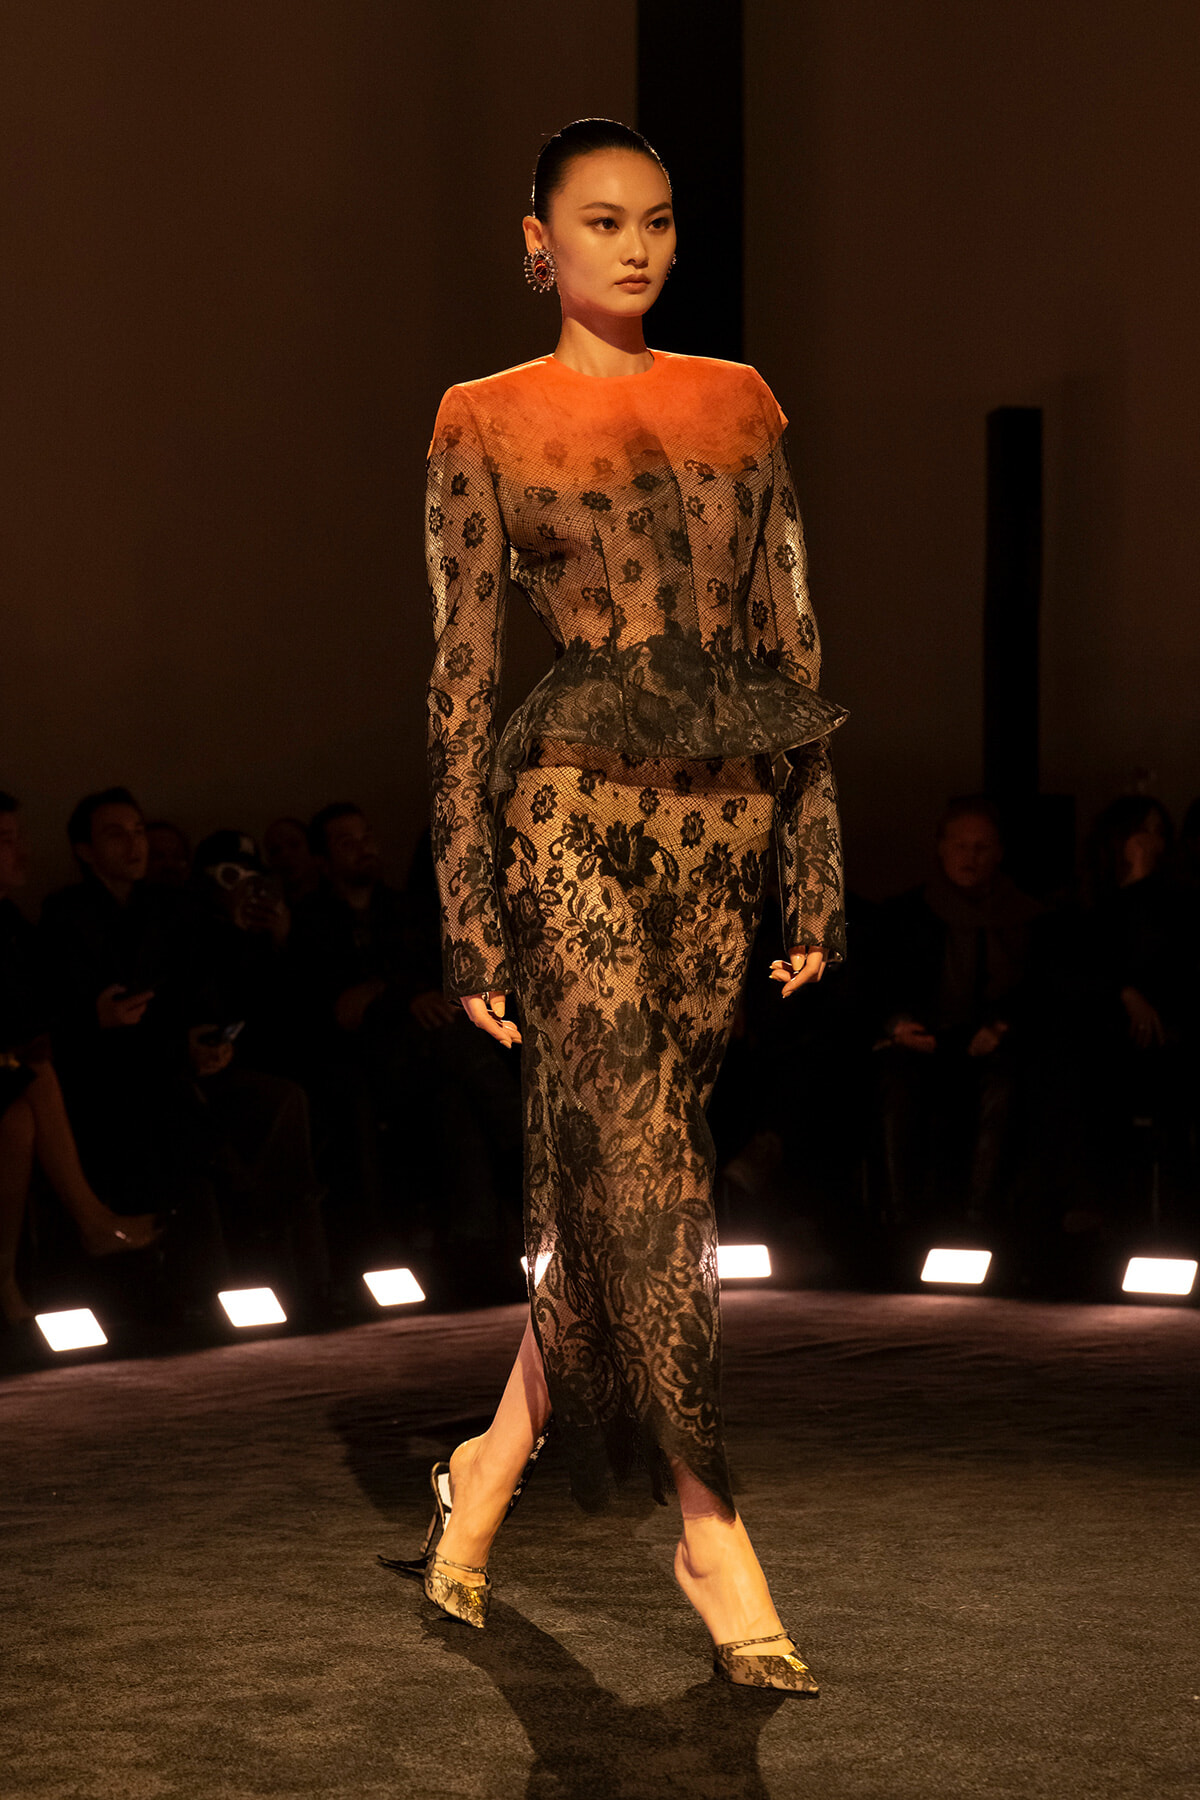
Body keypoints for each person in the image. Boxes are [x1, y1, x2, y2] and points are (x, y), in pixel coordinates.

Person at [389, 119, 846, 1696]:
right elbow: (459, 687)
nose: (638, 247)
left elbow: (792, 630)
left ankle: (490, 1466)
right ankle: (709, 1520)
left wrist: (816, 854)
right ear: (539, 241)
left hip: (726, 826)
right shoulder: (481, 417)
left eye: (656, 220)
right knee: (647, 1174)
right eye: (602, 221)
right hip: (569, 819)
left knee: (619, 1193)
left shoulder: (741, 398)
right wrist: (468, 913)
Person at [0, 792, 157, 1330]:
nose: (21, 852)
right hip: (28, 1065)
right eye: (5, 841)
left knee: (19, 1123)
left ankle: (5, 1281)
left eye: (19, 838)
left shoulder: (12, 923)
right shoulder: (61, 917)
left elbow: (32, 1009)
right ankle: (90, 1219)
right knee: (35, 1067)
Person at [872, 797, 1042, 1231]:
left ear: (999, 853)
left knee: (1006, 1085)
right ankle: (901, 1218)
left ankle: (979, 1217)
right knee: (895, 1082)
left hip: (992, 1045)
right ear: (942, 848)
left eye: (981, 847)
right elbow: (877, 985)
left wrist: (1003, 1026)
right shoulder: (908, 915)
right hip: (923, 1041)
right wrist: (896, 1025)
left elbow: (1042, 989)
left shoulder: (1026, 918)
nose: (970, 857)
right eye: (961, 846)